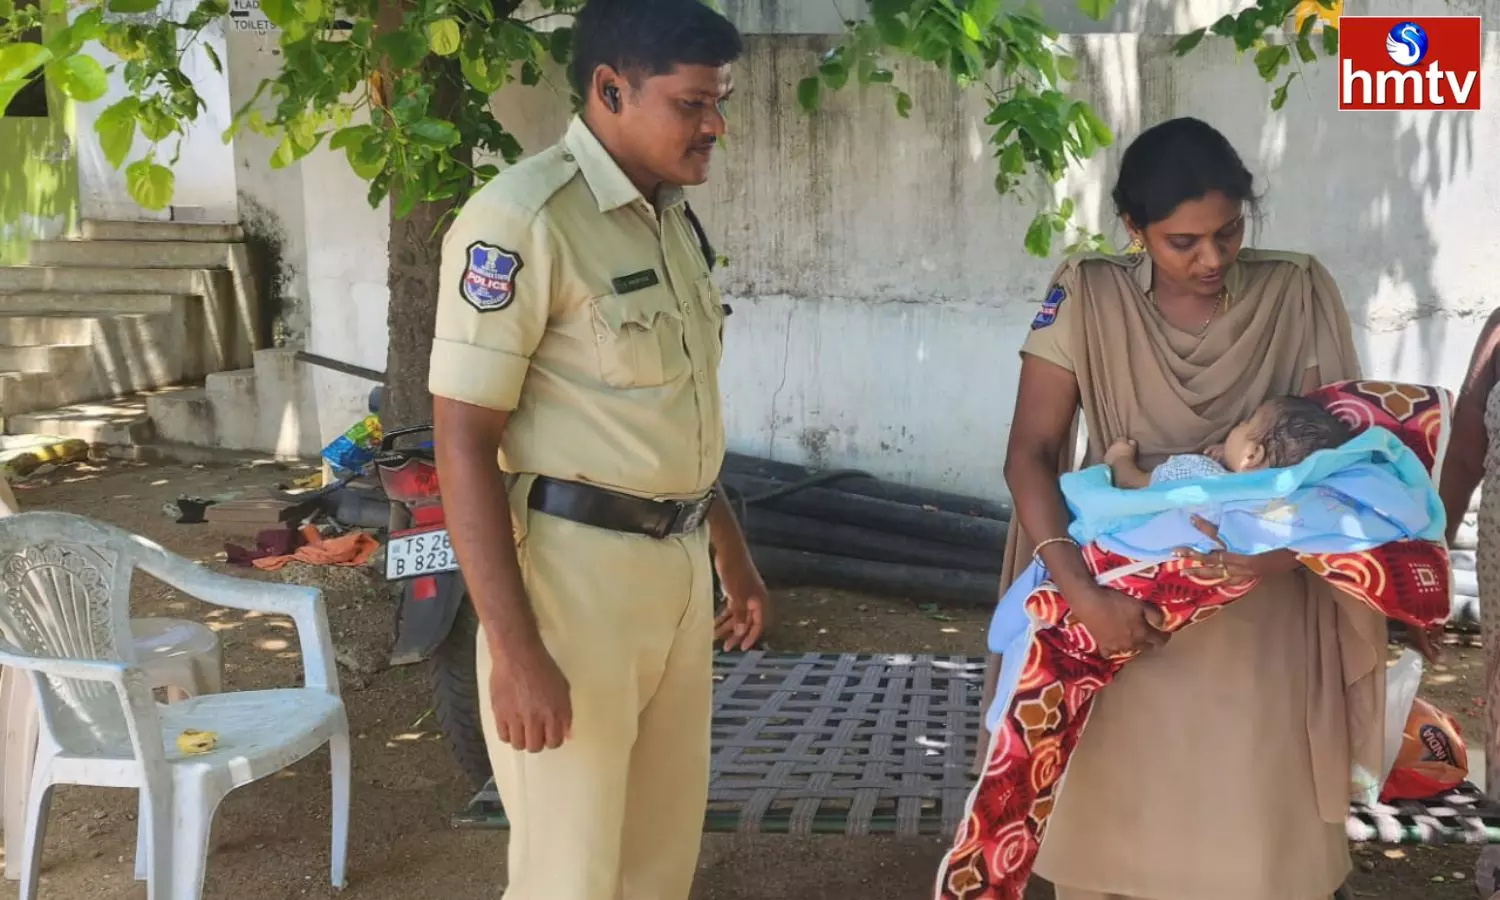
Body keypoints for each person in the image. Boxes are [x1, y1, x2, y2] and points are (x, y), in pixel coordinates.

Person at [980, 116, 1377, 900]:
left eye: (1228, 233)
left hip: (1263, 604)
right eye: (1182, 242)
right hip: (1119, 604)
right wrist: (1083, 597)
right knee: (1115, 833)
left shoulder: (1297, 288)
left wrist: (1264, 560)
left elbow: (1344, 463)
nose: (1212, 259)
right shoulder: (1085, 293)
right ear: (1134, 229)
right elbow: (1030, 452)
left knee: (1254, 842)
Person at [425, 2, 768, 898]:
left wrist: (732, 554)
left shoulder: (671, 220)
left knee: (656, 865)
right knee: (568, 877)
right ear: (610, 89)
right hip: (572, 594)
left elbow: (675, 413)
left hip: (678, 577)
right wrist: (516, 651)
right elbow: (462, 442)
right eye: (693, 103)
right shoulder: (521, 221)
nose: (714, 126)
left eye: (720, 101)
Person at [1105, 394, 1352, 488]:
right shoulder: (1278, 503)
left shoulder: (1198, 473)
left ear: (1252, 455)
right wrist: (1230, 456)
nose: (1238, 426)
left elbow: (1133, 483)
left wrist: (1121, 458)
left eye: (1246, 423)